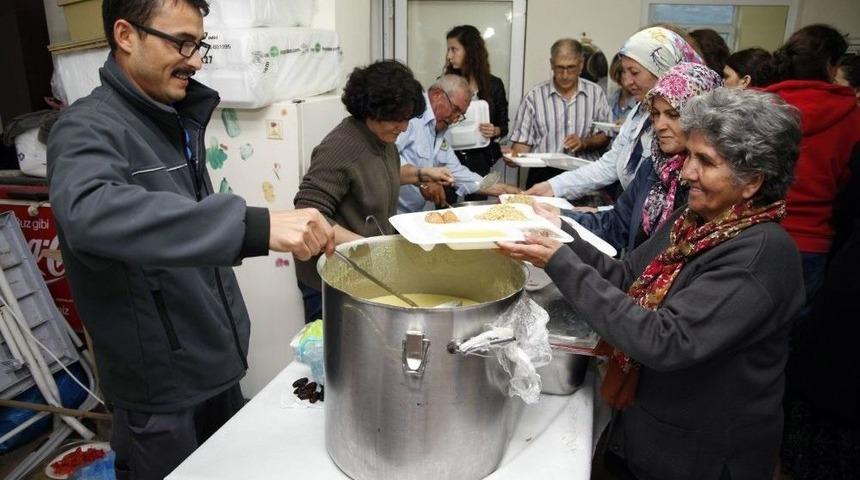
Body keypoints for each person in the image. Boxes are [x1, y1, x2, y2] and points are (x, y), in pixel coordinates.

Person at [45, 1, 336, 478]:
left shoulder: (172, 119)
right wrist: (253, 225)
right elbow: (91, 212)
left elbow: (181, 229)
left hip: (213, 360)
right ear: (125, 35)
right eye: (181, 42)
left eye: (199, 44)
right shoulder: (86, 127)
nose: (195, 59)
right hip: (160, 388)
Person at [499, 88, 804, 480]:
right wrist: (559, 231)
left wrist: (557, 261)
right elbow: (628, 277)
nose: (686, 171)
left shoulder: (760, 255)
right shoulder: (695, 221)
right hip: (656, 432)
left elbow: (664, 340)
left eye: (706, 161)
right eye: (689, 155)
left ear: (752, 182)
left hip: (704, 457)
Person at [293, 60, 452, 322]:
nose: (403, 128)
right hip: (333, 276)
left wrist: (423, 174)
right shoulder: (341, 147)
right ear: (373, 109)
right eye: (397, 119)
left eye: (407, 120)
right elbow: (309, 214)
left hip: (366, 267)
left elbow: (379, 174)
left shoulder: (383, 137)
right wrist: (369, 246)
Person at [526, 27, 703, 200]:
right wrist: (553, 186)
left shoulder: (694, 121)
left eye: (634, 72)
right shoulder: (639, 112)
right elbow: (610, 165)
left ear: (664, 70)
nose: (626, 81)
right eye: (624, 72)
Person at [565, 63, 723, 253]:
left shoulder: (714, 178)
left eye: (673, 115)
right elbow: (615, 225)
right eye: (655, 114)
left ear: (703, 117)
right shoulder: (654, 165)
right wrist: (557, 219)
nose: (659, 125)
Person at [764, 24, 860, 311]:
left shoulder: (761, 106)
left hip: (758, 232)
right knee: (793, 332)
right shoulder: (852, 117)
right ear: (831, 65)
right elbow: (848, 189)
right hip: (813, 240)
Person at [397, 74, 519, 213]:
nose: (456, 119)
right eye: (455, 110)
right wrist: (422, 180)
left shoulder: (440, 128)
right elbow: (389, 159)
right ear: (437, 95)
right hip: (391, 212)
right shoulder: (413, 113)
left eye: (460, 114)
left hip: (412, 213)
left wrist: (505, 190)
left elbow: (458, 173)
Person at [508, 38, 611, 187]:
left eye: (571, 68)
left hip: (585, 174)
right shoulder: (534, 97)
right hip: (543, 176)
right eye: (559, 68)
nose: (564, 74)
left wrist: (584, 142)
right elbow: (522, 145)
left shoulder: (596, 93)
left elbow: (605, 136)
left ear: (581, 64)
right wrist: (513, 157)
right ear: (551, 64)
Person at [443, 25, 509, 186]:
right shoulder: (444, 84)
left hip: (482, 158)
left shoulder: (494, 84)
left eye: (454, 49)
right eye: (448, 50)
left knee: (477, 205)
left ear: (470, 50)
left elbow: (504, 126)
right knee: (446, 206)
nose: (449, 56)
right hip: (448, 158)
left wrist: (494, 130)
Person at [607, 53, 637, 125]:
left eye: (633, 73)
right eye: (624, 72)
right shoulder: (611, 100)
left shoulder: (641, 103)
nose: (630, 79)